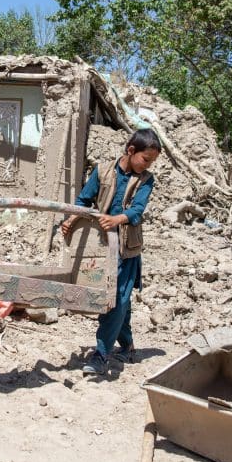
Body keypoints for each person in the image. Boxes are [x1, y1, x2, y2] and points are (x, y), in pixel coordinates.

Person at [61, 128, 162, 376]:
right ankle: (127, 345)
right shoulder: (102, 170)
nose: (148, 165)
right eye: (146, 159)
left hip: (127, 250)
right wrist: (71, 219)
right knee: (120, 301)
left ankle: (101, 354)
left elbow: (137, 210)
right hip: (101, 247)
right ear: (131, 150)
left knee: (117, 298)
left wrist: (117, 219)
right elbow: (84, 200)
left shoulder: (146, 180)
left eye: (152, 162)